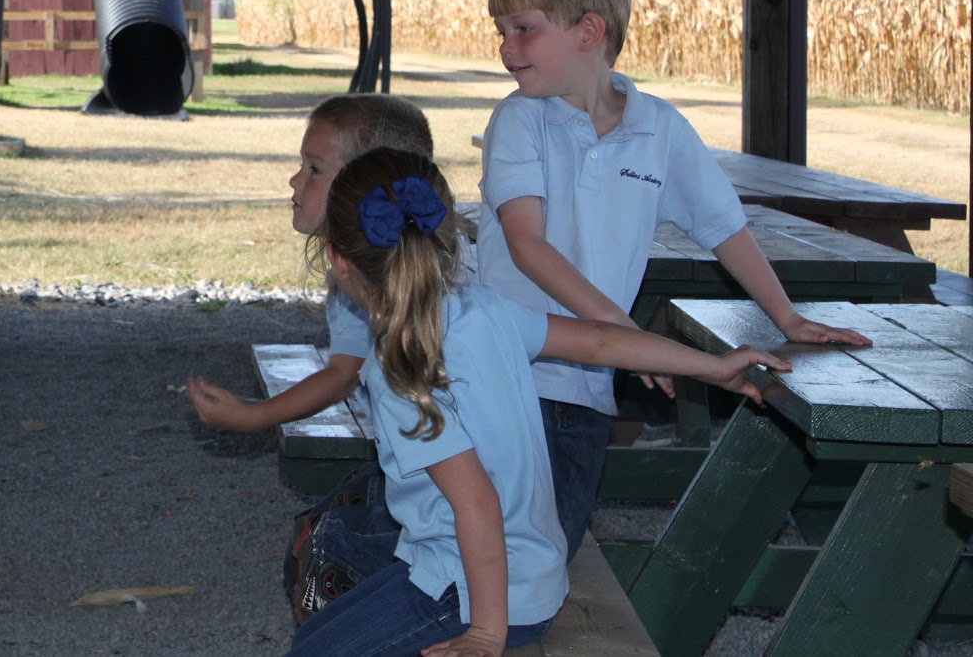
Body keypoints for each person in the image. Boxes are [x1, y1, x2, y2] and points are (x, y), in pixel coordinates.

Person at [287, 148, 788, 657]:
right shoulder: (480, 309)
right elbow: (599, 341)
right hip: (523, 570)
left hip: (474, 593)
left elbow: (476, 503)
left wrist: (486, 633)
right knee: (315, 636)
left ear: (336, 259)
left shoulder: (400, 369)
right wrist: (714, 365)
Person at [477, 0, 868, 559]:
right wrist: (627, 335)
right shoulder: (520, 121)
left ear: (589, 31)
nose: (505, 46)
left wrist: (787, 318)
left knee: (550, 547)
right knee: (488, 541)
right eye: (500, 30)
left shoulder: (658, 128)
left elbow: (724, 230)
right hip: (497, 368)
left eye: (523, 29)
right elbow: (528, 248)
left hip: (582, 387)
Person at [187, 93, 434, 436]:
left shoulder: (386, 267)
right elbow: (343, 370)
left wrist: (252, 417)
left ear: (365, 182)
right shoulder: (356, 267)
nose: (294, 180)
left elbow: (343, 376)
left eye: (314, 169)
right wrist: (252, 415)